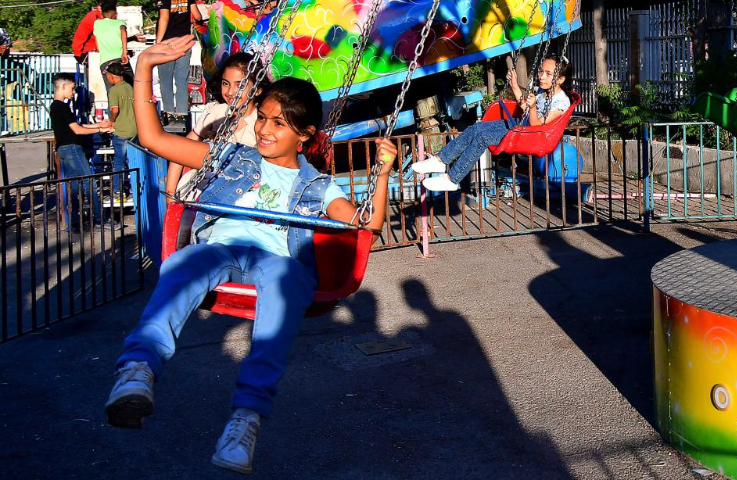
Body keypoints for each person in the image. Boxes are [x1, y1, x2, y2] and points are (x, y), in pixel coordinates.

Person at [104, 35, 398, 475]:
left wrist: (382, 173)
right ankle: (137, 372)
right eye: (263, 118)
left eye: (279, 123)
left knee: (290, 281)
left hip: (273, 261)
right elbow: (152, 137)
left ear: (304, 134)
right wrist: (143, 66)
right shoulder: (230, 157)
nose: (263, 129)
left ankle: (245, 420)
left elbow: (366, 225)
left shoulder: (319, 185)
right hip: (221, 247)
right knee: (184, 263)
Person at [412, 55, 573, 192]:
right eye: (541, 71)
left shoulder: (561, 102)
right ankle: (440, 161)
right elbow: (525, 108)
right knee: (476, 128)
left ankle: (452, 179)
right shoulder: (543, 91)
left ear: (560, 79)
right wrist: (515, 86)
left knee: (483, 137)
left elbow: (537, 126)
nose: (541, 76)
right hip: (521, 125)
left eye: (548, 74)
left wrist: (531, 107)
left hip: (531, 135)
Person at [164, 51, 261, 200]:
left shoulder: (262, 123)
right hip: (202, 193)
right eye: (225, 83)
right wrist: (170, 195)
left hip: (239, 199)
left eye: (240, 85)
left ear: (258, 89)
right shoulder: (216, 112)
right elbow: (180, 152)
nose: (230, 92)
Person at [50, 73, 113, 229]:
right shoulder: (62, 107)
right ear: (63, 86)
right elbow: (78, 130)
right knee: (89, 182)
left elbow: (77, 126)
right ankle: (99, 220)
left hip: (64, 149)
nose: (73, 92)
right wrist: (99, 129)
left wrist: (100, 126)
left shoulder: (56, 106)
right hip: (72, 148)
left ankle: (75, 221)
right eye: (72, 88)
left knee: (74, 186)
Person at [155, 0, 202, 126]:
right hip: (184, 42)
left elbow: (164, 18)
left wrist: (158, 42)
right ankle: (182, 115)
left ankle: (168, 114)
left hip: (168, 43)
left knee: (166, 81)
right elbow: (197, 16)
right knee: (182, 80)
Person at [106, 62, 135, 201]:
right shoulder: (130, 88)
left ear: (112, 76)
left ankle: (118, 190)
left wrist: (112, 121)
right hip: (134, 131)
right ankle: (133, 189)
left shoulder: (114, 90)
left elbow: (115, 109)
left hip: (122, 130)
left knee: (119, 162)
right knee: (132, 162)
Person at [93, 2, 135, 93]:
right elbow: (123, 31)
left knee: (111, 92)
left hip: (104, 62)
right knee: (131, 88)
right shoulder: (120, 23)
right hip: (120, 59)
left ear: (102, 14)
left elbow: (98, 47)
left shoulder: (96, 24)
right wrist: (124, 51)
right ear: (116, 14)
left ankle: (113, 106)